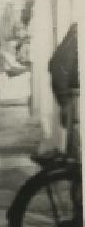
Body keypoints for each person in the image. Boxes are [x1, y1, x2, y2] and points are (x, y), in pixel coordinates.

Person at [48, 23, 79, 157]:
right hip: (74, 96)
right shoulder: (74, 40)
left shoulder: (72, 39)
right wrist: (64, 100)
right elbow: (57, 67)